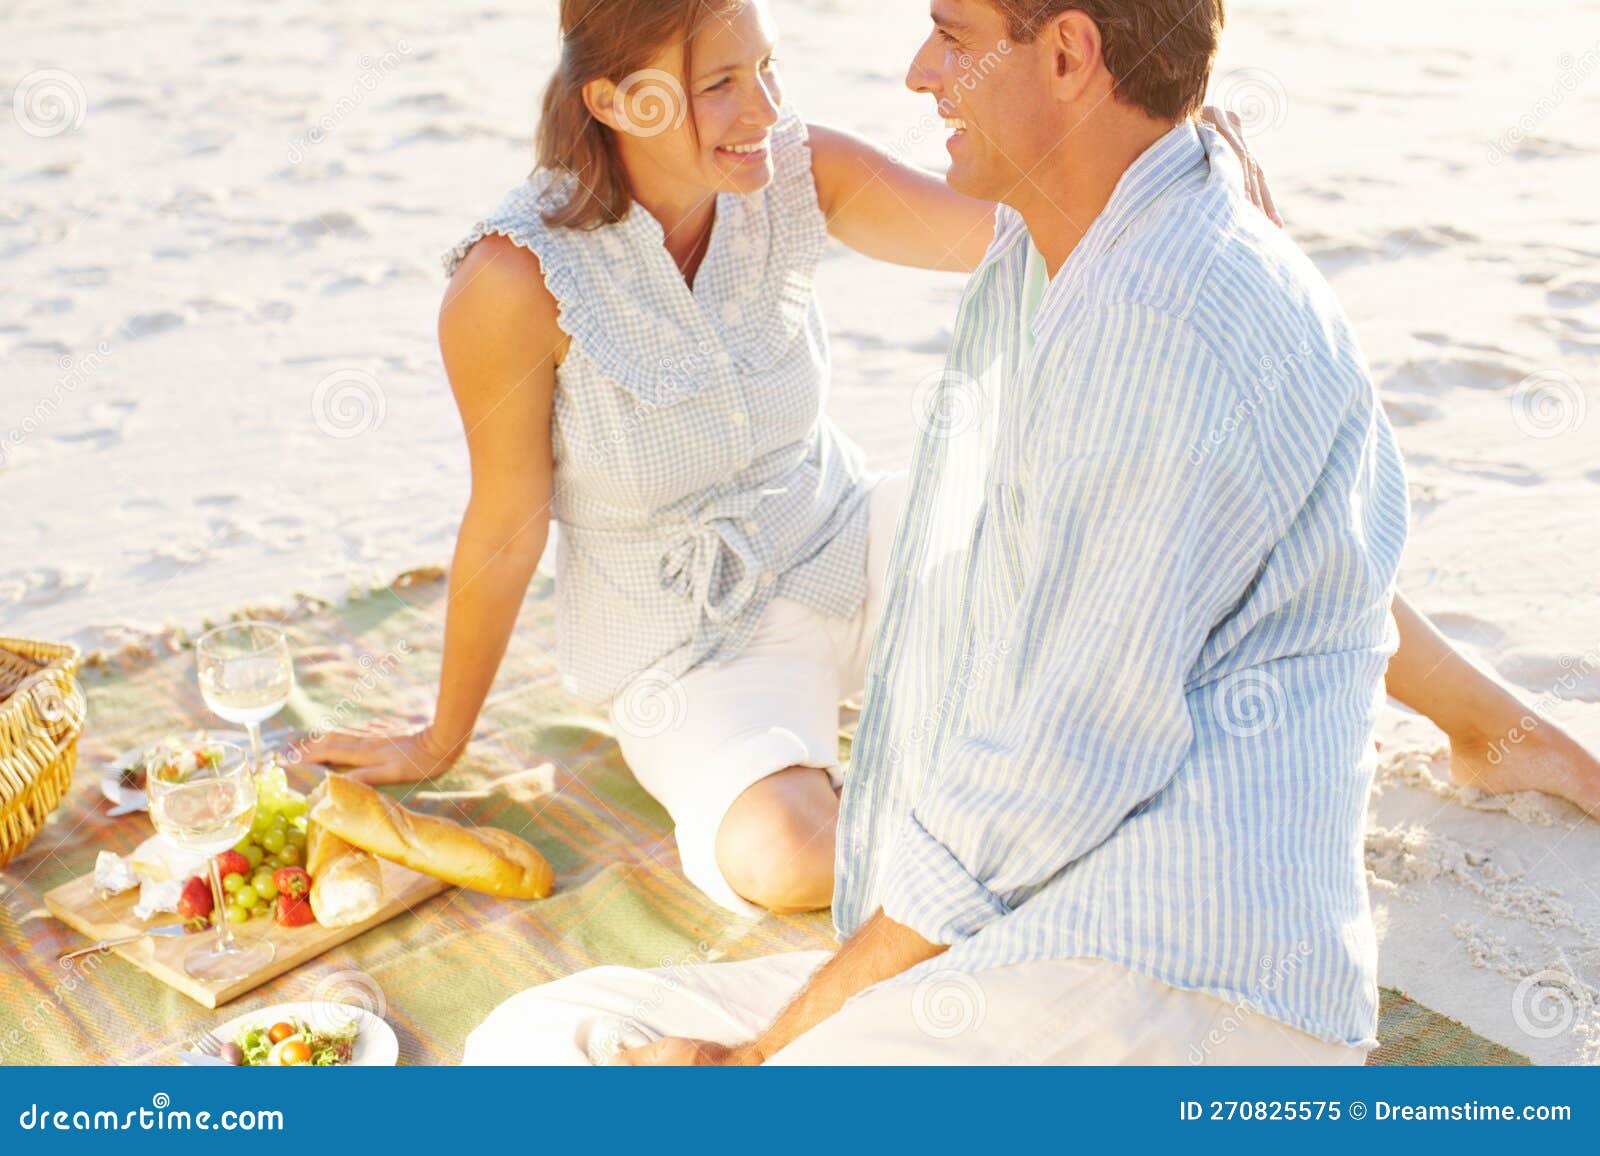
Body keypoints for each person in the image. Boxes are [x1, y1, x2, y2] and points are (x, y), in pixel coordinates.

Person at [303, 0, 1600, 929]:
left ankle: (1499, 729)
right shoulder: (510, 282)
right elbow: (506, 528)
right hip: (688, 646)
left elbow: (1024, 237)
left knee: (1226, 501)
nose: (764, 109)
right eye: (719, 85)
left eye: (767, 67)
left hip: (855, 543)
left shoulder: (792, 173)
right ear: (613, 102)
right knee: (790, 857)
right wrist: (441, 735)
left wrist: (1186, 202)